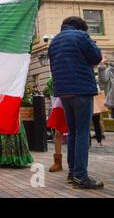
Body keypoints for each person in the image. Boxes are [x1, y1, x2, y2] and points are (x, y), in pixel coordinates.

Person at [48, 16, 104, 189]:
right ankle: (80, 175)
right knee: (82, 132)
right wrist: (94, 43)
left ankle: (73, 172)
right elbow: (96, 58)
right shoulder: (81, 36)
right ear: (81, 27)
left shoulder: (54, 42)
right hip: (81, 90)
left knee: (72, 132)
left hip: (64, 92)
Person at [46, 78, 67, 172]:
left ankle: (76, 163)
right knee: (58, 133)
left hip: (73, 101)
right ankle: (58, 163)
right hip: (60, 106)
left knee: (75, 133)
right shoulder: (51, 82)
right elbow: (53, 98)